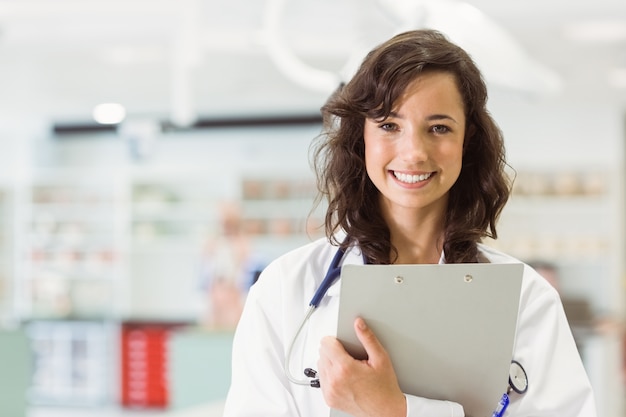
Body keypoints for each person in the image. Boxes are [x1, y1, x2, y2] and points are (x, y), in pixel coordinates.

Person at [223, 29, 597, 417]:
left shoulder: (526, 300)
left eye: (439, 127)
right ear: (360, 138)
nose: (414, 152)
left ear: (468, 140)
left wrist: (396, 410)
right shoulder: (286, 289)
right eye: (388, 125)